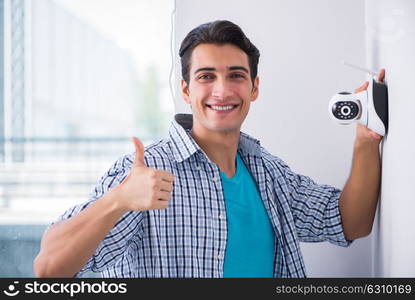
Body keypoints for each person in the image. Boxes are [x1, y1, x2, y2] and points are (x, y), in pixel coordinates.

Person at [34, 20, 384, 278]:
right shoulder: (143, 173)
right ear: (186, 90)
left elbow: (349, 222)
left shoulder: (269, 173)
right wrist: (119, 199)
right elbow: (49, 269)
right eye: (206, 77)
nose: (222, 90)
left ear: (254, 87)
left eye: (235, 75)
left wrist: (366, 136)